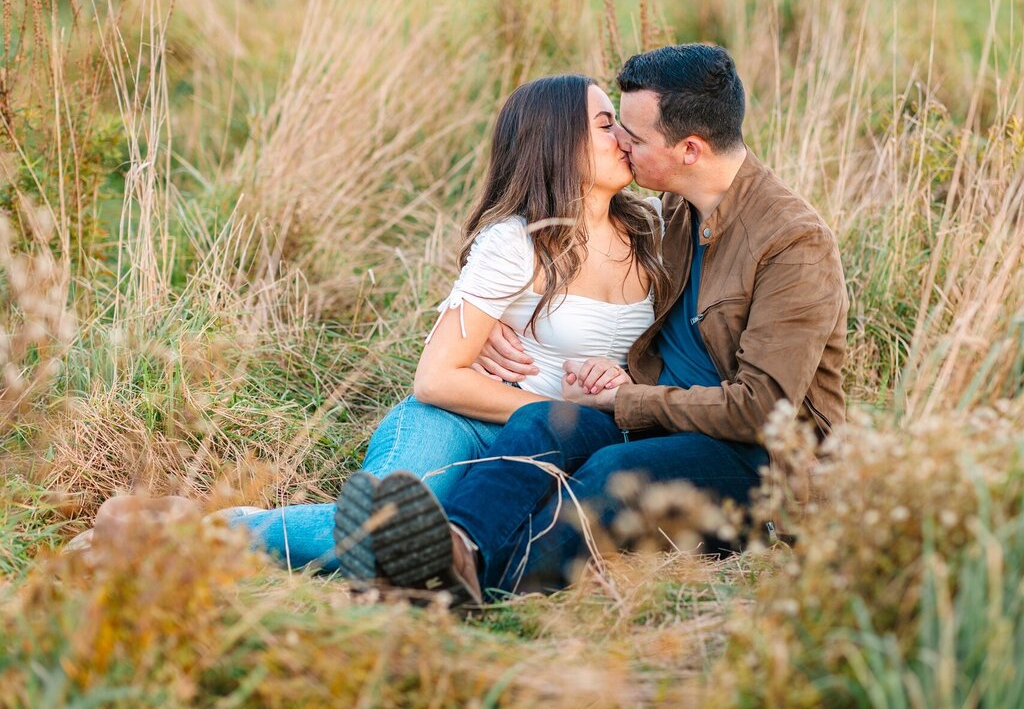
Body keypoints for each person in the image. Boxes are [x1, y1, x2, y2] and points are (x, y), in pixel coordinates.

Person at [79, 74, 668, 577]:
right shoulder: (515, 245)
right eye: (604, 123)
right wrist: (554, 412)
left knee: (447, 546)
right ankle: (196, 530)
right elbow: (436, 380)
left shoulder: (657, 236)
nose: (623, 136)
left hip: (562, 445)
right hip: (462, 423)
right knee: (383, 530)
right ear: (556, 142)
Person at [333, 43, 848, 605]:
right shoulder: (670, 214)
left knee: (610, 472)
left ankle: (455, 585)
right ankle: (456, 546)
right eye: (614, 128)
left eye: (634, 135)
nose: (622, 143)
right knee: (544, 424)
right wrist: (502, 327)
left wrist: (629, 399)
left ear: (690, 149)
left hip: (750, 460)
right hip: (649, 422)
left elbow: (761, 410)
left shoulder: (793, 243)